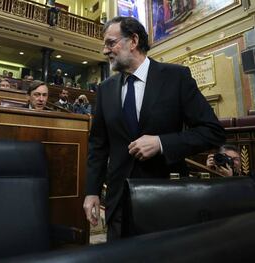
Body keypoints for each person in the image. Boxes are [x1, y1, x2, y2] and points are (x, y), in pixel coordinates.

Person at [83, 16, 225, 241]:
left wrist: (161, 143)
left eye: (110, 43)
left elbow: (212, 131)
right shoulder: (105, 89)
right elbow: (98, 146)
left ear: (133, 41)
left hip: (165, 197)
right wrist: (92, 191)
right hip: (118, 203)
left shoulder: (176, 77)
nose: (104, 51)